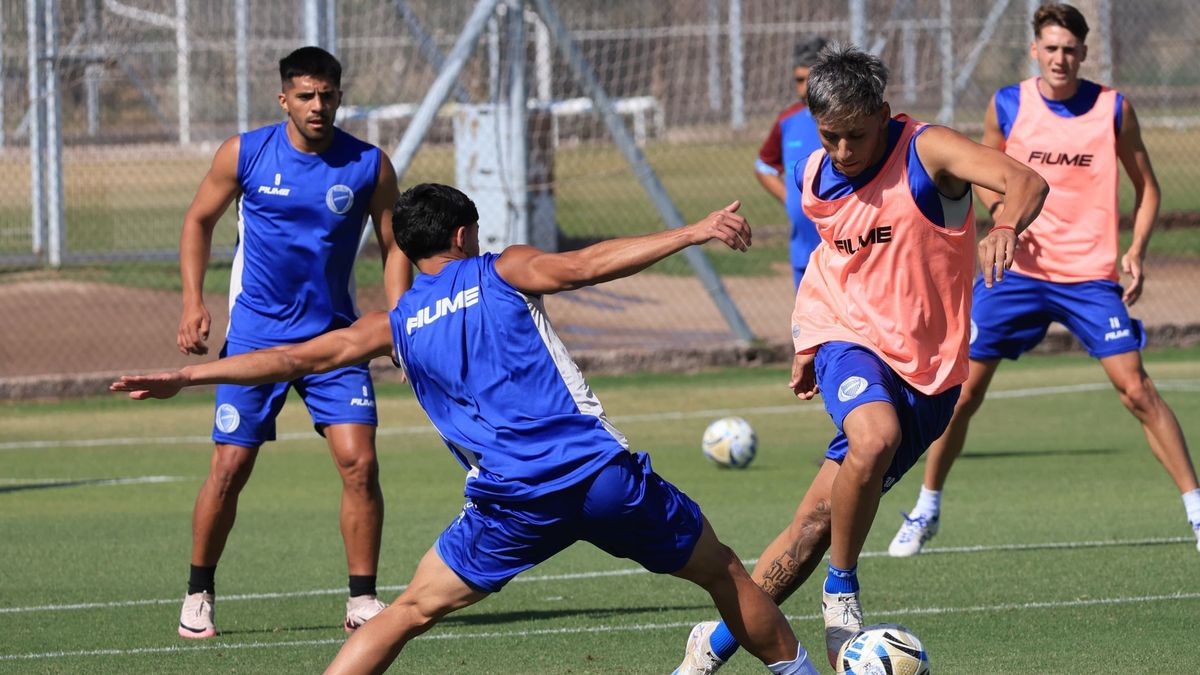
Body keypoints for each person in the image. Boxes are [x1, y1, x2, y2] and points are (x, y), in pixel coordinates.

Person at [114, 183, 822, 675]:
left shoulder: (391, 327)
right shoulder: (501, 269)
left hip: (510, 503)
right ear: (461, 234)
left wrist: (186, 378)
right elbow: (580, 266)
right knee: (726, 573)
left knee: (404, 613)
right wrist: (693, 230)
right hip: (599, 478)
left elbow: (293, 356)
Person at [672, 44, 1049, 673]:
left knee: (816, 522)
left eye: (856, 135)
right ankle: (842, 588)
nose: (843, 151)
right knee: (873, 439)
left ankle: (708, 649)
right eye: (830, 136)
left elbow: (1026, 181)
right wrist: (810, 341)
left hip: (931, 371)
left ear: (884, 112)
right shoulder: (814, 174)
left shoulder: (927, 151)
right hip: (852, 341)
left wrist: (1005, 225)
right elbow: (831, 264)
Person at [887, 2, 1200, 558]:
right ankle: (925, 509)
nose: (1060, 58)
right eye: (1050, 48)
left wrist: (1137, 250)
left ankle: (1197, 513)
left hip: (1088, 277)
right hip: (1016, 274)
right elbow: (980, 176)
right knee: (961, 396)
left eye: (1070, 50)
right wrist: (1004, 223)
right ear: (1036, 50)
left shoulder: (1113, 109)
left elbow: (1147, 187)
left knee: (1138, 391)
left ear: (1083, 53)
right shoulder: (1008, 104)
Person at [172, 46, 407, 638]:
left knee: (360, 464)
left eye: (327, 95)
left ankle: (362, 602)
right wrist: (193, 302)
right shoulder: (244, 153)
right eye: (305, 96)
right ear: (285, 99)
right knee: (229, 466)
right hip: (255, 337)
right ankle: (199, 590)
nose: (317, 106)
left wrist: (401, 319)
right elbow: (198, 220)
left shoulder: (369, 164)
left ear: (339, 96)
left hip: (336, 340)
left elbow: (394, 242)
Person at [755, 36, 827, 288]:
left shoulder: (848, 119)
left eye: (811, 79)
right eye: (799, 80)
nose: (804, 88)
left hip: (847, 251)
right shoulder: (788, 121)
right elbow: (764, 166)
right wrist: (792, 200)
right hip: (803, 252)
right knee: (809, 325)